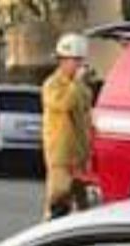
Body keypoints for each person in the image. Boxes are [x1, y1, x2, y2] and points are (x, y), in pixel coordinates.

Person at [42, 32, 93, 220]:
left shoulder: (81, 87)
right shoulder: (52, 85)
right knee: (58, 205)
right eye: (76, 60)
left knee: (84, 210)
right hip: (60, 158)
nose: (80, 66)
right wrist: (76, 83)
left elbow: (86, 113)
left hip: (79, 157)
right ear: (63, 61)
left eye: (81, 61)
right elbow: (64, 104)